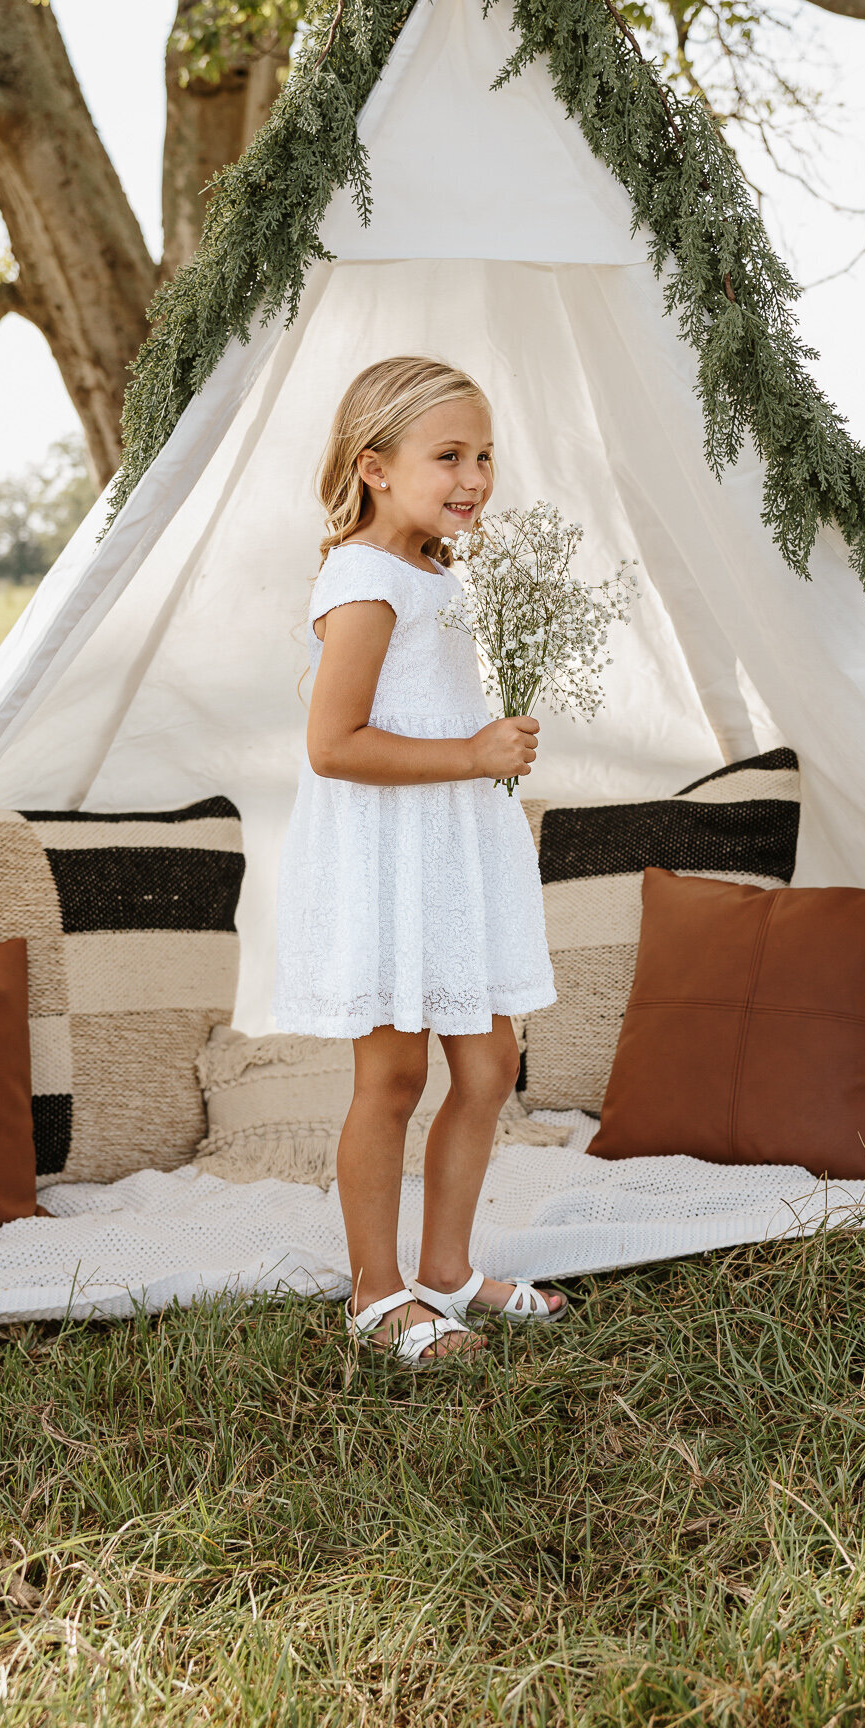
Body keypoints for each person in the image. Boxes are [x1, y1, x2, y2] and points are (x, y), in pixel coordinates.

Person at [274, 357, 565, 1367]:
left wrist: (486, 749)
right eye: (449, 455)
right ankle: (374, 1290)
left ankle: (446, 1265)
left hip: (451, 854)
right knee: (392, 1076)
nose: (474, 476)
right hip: (388, 860)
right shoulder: (363, 577)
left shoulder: (440, 569)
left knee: (488, 1065)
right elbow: (334, 743)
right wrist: (472, 753)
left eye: (485, 455)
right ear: (376, 465)